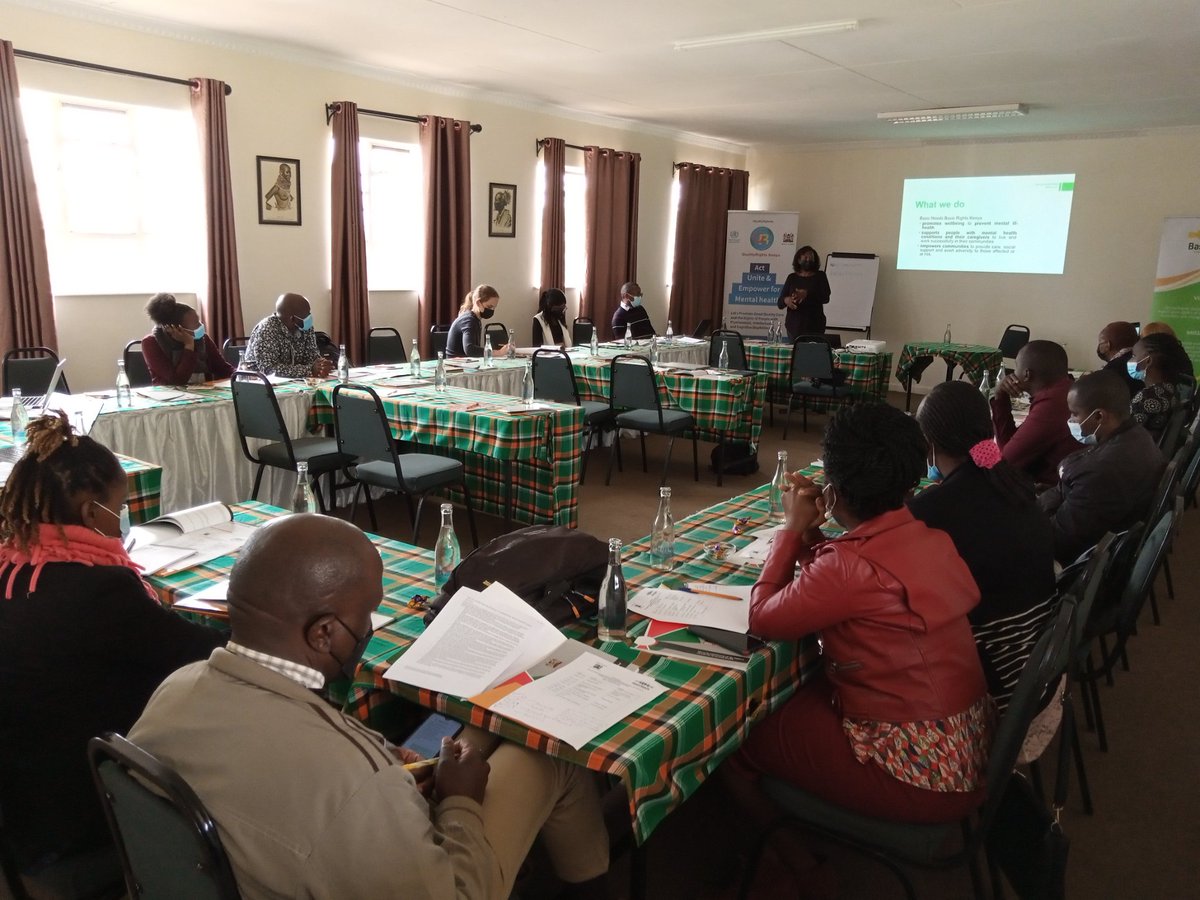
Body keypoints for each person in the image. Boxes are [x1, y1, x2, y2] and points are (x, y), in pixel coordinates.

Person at [129, 514, 610, 900]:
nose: (371, 624)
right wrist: (461, 802)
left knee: (472, 738)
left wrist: (379, 760)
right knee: (544, 755)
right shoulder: (353, 781)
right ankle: (589, 882)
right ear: (324, 633)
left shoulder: (175, 690)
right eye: (369, 612)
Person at [728, 403, 991, 829]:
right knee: (797, 693)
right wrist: (814, 535)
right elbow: (845, 575)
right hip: (965, 746)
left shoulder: (847, 567)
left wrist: (791, 530)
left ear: (831, 493)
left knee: (736, 735)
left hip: (920, 773)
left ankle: (794, 866)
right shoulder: (931, 538)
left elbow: (761, 617)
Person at [0, 414, 224, 890]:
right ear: (89, 514)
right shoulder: (101, 591)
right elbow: (201, 653)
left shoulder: (14, 567)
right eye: (118, 509)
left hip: (20, 805)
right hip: (83, 815)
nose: (120, 522)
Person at [910, 381, 1057, 712]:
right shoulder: (1013, 482)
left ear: (929, 446)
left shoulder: (933, 510)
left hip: (992, 679)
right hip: (1033, 659)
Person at [1040, 372, 1166, 565]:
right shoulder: (1136, 435)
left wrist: (1033, 512)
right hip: (1089, 524)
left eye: (1074, 413)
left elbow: (1058, 540)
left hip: (1070, 561)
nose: (1071, 420)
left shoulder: (1103, 470)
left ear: (1099, 416)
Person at [990, 340, 1079, 486]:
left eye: (1016, 366)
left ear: (1027, 374)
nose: (1013, 373)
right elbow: (1012, 443)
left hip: (1049, 494)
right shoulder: (1066, 389)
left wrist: (999, 397)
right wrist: (1001, 397)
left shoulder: (1052, 404)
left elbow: (1005, 462)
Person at [140, 292, 234, 386]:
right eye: (196, 325)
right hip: (168, 397)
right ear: (176, 329)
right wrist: (189, 345)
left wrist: (244, 375)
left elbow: (224, 369)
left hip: (203, 393)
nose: (201, 327)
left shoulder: (203, 339)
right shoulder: (151, 343)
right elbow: (177, 380)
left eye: (199, 322)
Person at [243, 292, 332, 378]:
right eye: (307, 313)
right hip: (259, 383)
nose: (309, 316)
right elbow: (269, 369)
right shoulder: (267, 329)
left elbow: (312, 358)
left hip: (295, 382)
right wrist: (310, 369)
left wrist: (321, 365)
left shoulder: (305, 327)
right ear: (292, 319)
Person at [1129, 332, 1192, 442]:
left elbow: (1122, 436)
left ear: (1148, 361)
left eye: (1134, 356)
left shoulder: (1146, 398)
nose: (1130, 361)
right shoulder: (1170, 390)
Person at [776, 245, 831, 339]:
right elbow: (780, 303)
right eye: (805, 257)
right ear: (798, 260)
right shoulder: (792, 277)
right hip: (793, 327)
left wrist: (806, 294)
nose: (808, 259)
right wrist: (787, 300)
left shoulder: (820, 276)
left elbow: (825, 298)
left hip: (815, 326)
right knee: (794, 353)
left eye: (811, 257)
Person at [447, 284, 506, 358]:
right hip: (456, 365)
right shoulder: (468, 320)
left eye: (494, 308)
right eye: (489, 307)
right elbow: (470, 349)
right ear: (478, 303)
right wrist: (498, 352)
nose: (492, 310)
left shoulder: (475, 319)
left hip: (466, 363)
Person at [1094, 321, 1141, 398]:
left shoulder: (1111, 370)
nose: (1099, 346)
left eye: (1101, 342)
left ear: (1108, 345)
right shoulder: (1142, 361)